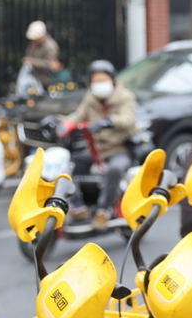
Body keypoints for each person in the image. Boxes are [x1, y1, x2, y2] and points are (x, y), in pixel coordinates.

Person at [59, 60, 138, 230]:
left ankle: (104, 210)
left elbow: (128, 119)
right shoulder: (91, 98)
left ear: (112, 80)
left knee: (115, 169)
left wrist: (108, 121)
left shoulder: (125, 97)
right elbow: (77, 117)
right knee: (69, 167)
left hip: (118, 149)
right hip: (94, 151)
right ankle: (78, 206)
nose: (99, 84)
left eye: (103, 80)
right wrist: (61, 123)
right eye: (96, 81)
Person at [24, 20, 60, 87]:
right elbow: (29, 55)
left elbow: (50, 64)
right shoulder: (34, 44)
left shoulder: (50, 46)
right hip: (33, 80)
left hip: (46, 81)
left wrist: (33, 62)